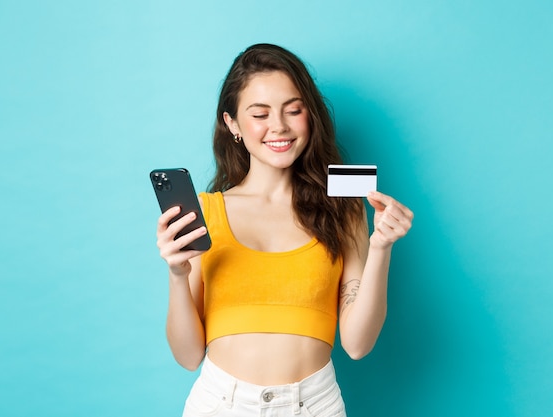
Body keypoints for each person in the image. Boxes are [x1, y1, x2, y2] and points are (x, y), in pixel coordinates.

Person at [155, 43, 413, 417]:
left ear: (310, 115)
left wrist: (382, 247)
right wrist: (178, 275)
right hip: (219, 403)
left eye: (293, 110)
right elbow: (188, 355)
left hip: (314, 404)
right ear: (232, 125)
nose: (279, 126)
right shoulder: (204, 211)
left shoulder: (342, 208)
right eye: (259, 114)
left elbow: (357, 344)